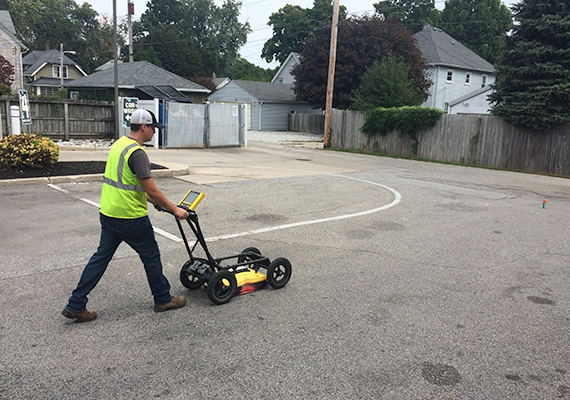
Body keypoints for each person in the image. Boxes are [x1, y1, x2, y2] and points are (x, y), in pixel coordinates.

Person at [62, 109, 189, 322]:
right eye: (153, 129)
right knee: (151, 256)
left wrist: (155, 203)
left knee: (100, 258)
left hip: (109, 213)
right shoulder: (138, 153)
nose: (154, 134)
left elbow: (129, 184)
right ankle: (162, 298)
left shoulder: (119, 145)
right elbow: (152, 189)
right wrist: (175, 209)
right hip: (131, 217)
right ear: (144, 127)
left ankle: (76, 303)